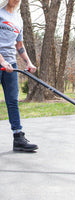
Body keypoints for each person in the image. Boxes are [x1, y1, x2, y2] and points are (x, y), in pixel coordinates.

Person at [0, 0, 38, 151]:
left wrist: (28, 62)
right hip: (3, 62)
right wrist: (2, 61)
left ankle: (18, 138)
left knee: (13, 101)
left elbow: (19, 45)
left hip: (11, 65)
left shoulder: (18, 19)